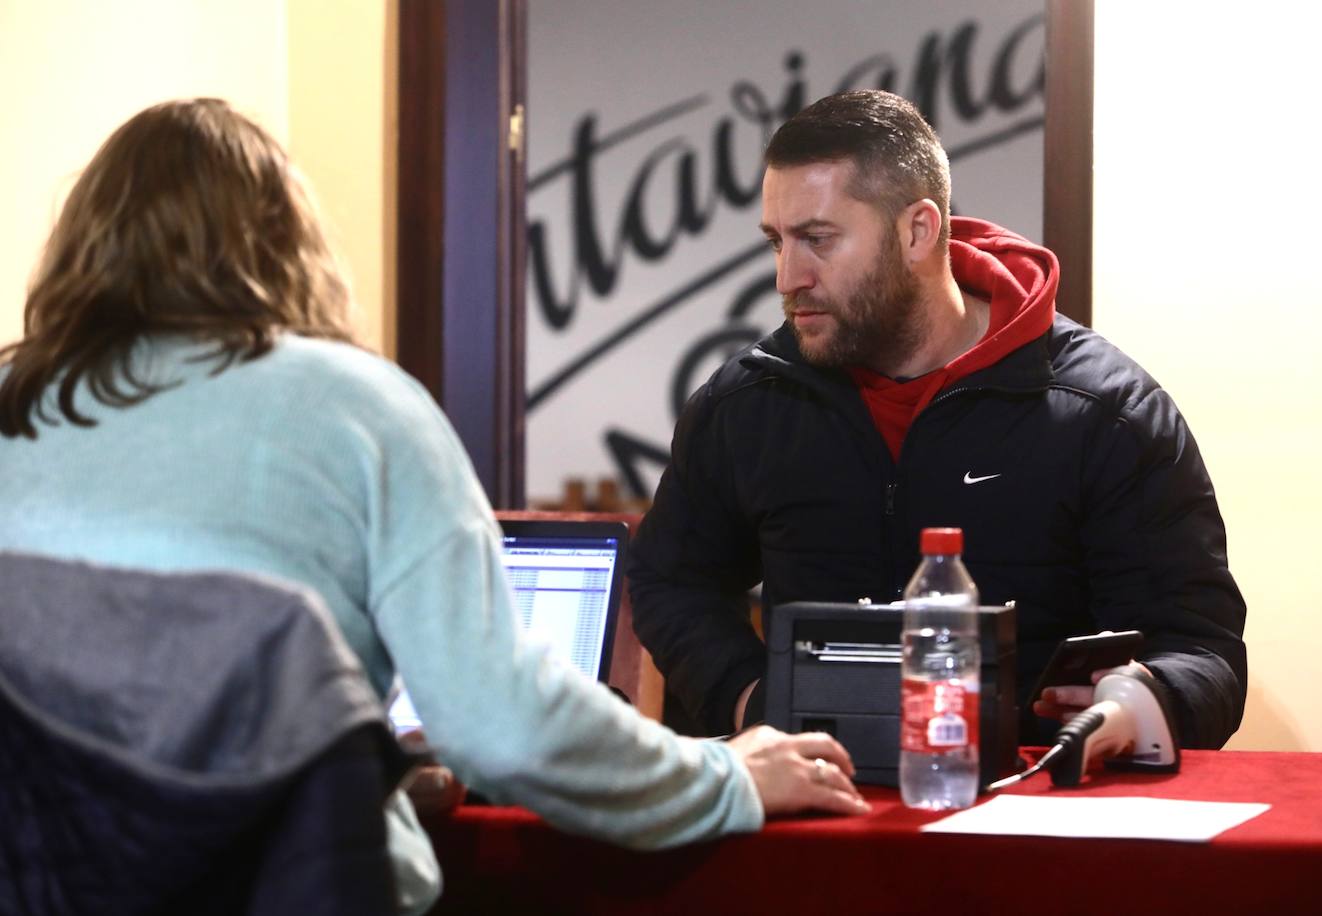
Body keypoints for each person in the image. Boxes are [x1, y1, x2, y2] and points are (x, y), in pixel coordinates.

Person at [0, 99, 870, 914]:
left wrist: (351, 762)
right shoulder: (357, 410)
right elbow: (505, 730)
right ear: (282, 243)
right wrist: (728, 778)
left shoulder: (12, 398)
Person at [628, 89, 1246, 751]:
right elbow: (671, 580)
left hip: (1034, 818)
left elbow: (1201, 651)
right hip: (813, 818)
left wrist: (1140, 706)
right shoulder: (746, 405)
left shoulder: (1106, 412)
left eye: (817, 239)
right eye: (777, 242)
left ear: (917, 231)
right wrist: (751, 697)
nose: (788, 276)